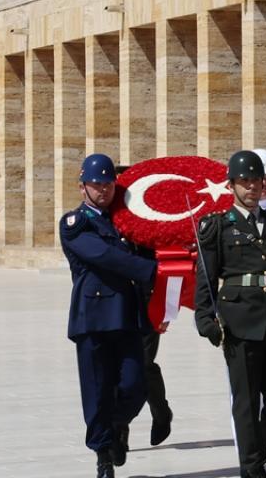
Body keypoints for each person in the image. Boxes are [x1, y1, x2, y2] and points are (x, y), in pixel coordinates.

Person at [194, 150, 266, 478]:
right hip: (239, 323)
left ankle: (254, 450)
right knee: (246, 400)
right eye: (244, 181)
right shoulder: (217, 225)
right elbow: (205, 278)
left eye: (256, 181)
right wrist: (205, 319)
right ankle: (252, 466)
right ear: (231, 185)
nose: (251, 187)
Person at [61, 153, 157, 478]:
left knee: (135, 385)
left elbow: (149, 245)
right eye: (96, 184)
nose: (103, 189)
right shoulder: (75, 224)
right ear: (82, 187)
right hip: (93, 317)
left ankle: (116, 425)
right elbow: (105, 256)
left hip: (127, 315)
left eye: (108, 184)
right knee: (97, 390)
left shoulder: (127, 221)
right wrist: (152, 270)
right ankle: (102, 454)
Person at [114, 163, 175, 449]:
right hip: (116, 303)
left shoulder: (150, 221)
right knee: (118, 366)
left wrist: (168, 307)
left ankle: (161, 412)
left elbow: (170, 262)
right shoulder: (104, 222)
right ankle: (120, 430)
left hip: (148, 302)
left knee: (143, 363)